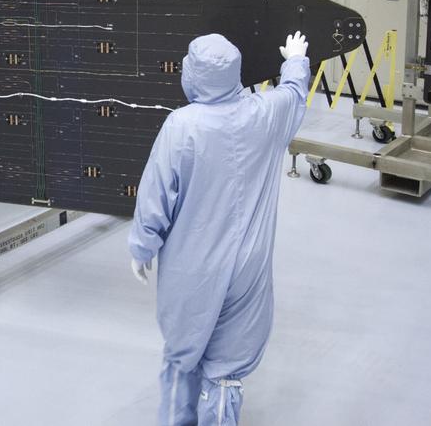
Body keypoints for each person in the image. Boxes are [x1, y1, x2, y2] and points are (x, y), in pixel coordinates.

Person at [129, 31, 311, 426]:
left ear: (193, 73)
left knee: (182, 356)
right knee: (227, 366)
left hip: (191, 267)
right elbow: (294, 94)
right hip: (249, 266)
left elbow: (154, 199)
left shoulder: (182, 126)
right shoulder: (264, 114)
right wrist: (295, 59)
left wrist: (142, 249)